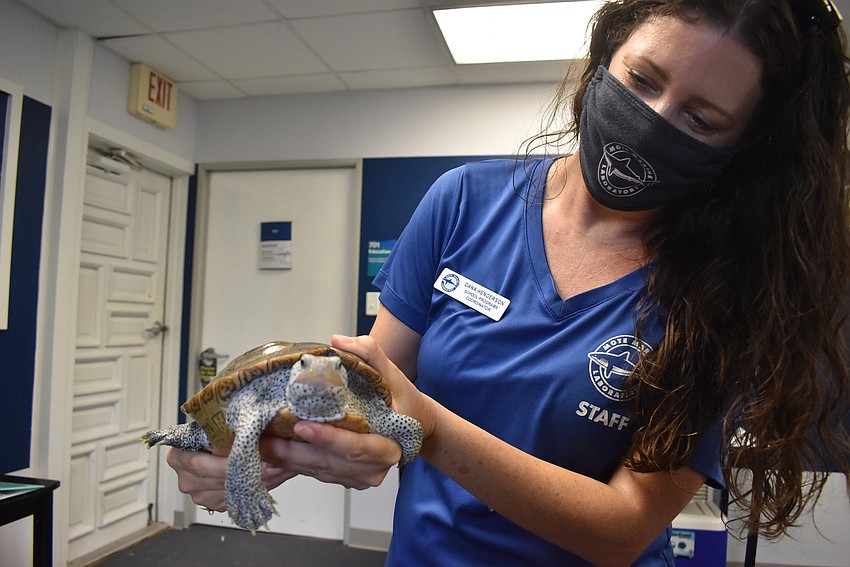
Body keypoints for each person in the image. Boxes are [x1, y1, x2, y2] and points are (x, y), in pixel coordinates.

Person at [167, 0, 850, 564]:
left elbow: (621, 526)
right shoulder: (464, 200)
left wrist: (428, 425)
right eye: (642, 80)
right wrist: (262, 445)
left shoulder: (722, 293)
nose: (653, 120)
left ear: (743, 150)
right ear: (606, 56)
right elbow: (374, 399)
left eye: (700, 119)